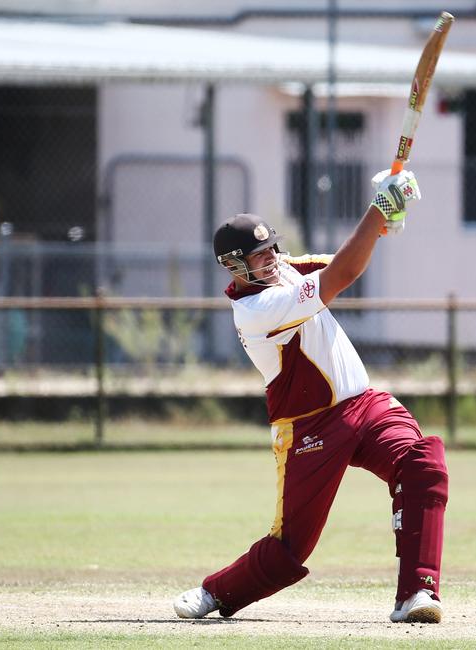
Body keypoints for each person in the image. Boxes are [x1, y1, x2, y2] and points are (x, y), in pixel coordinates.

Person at [173, 168, 448, 624]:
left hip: (365, 405)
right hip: (308, 426)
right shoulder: (255, 310)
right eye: (259, 257)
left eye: (271, 249)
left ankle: (417, 593)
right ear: (234, 267)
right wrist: (378, 209)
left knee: (423, 463)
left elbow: (347, 259)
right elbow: (343, 272)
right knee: (289, 549)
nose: (273, 259)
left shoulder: (283, 270)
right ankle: (216, 591)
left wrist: (384, 222)